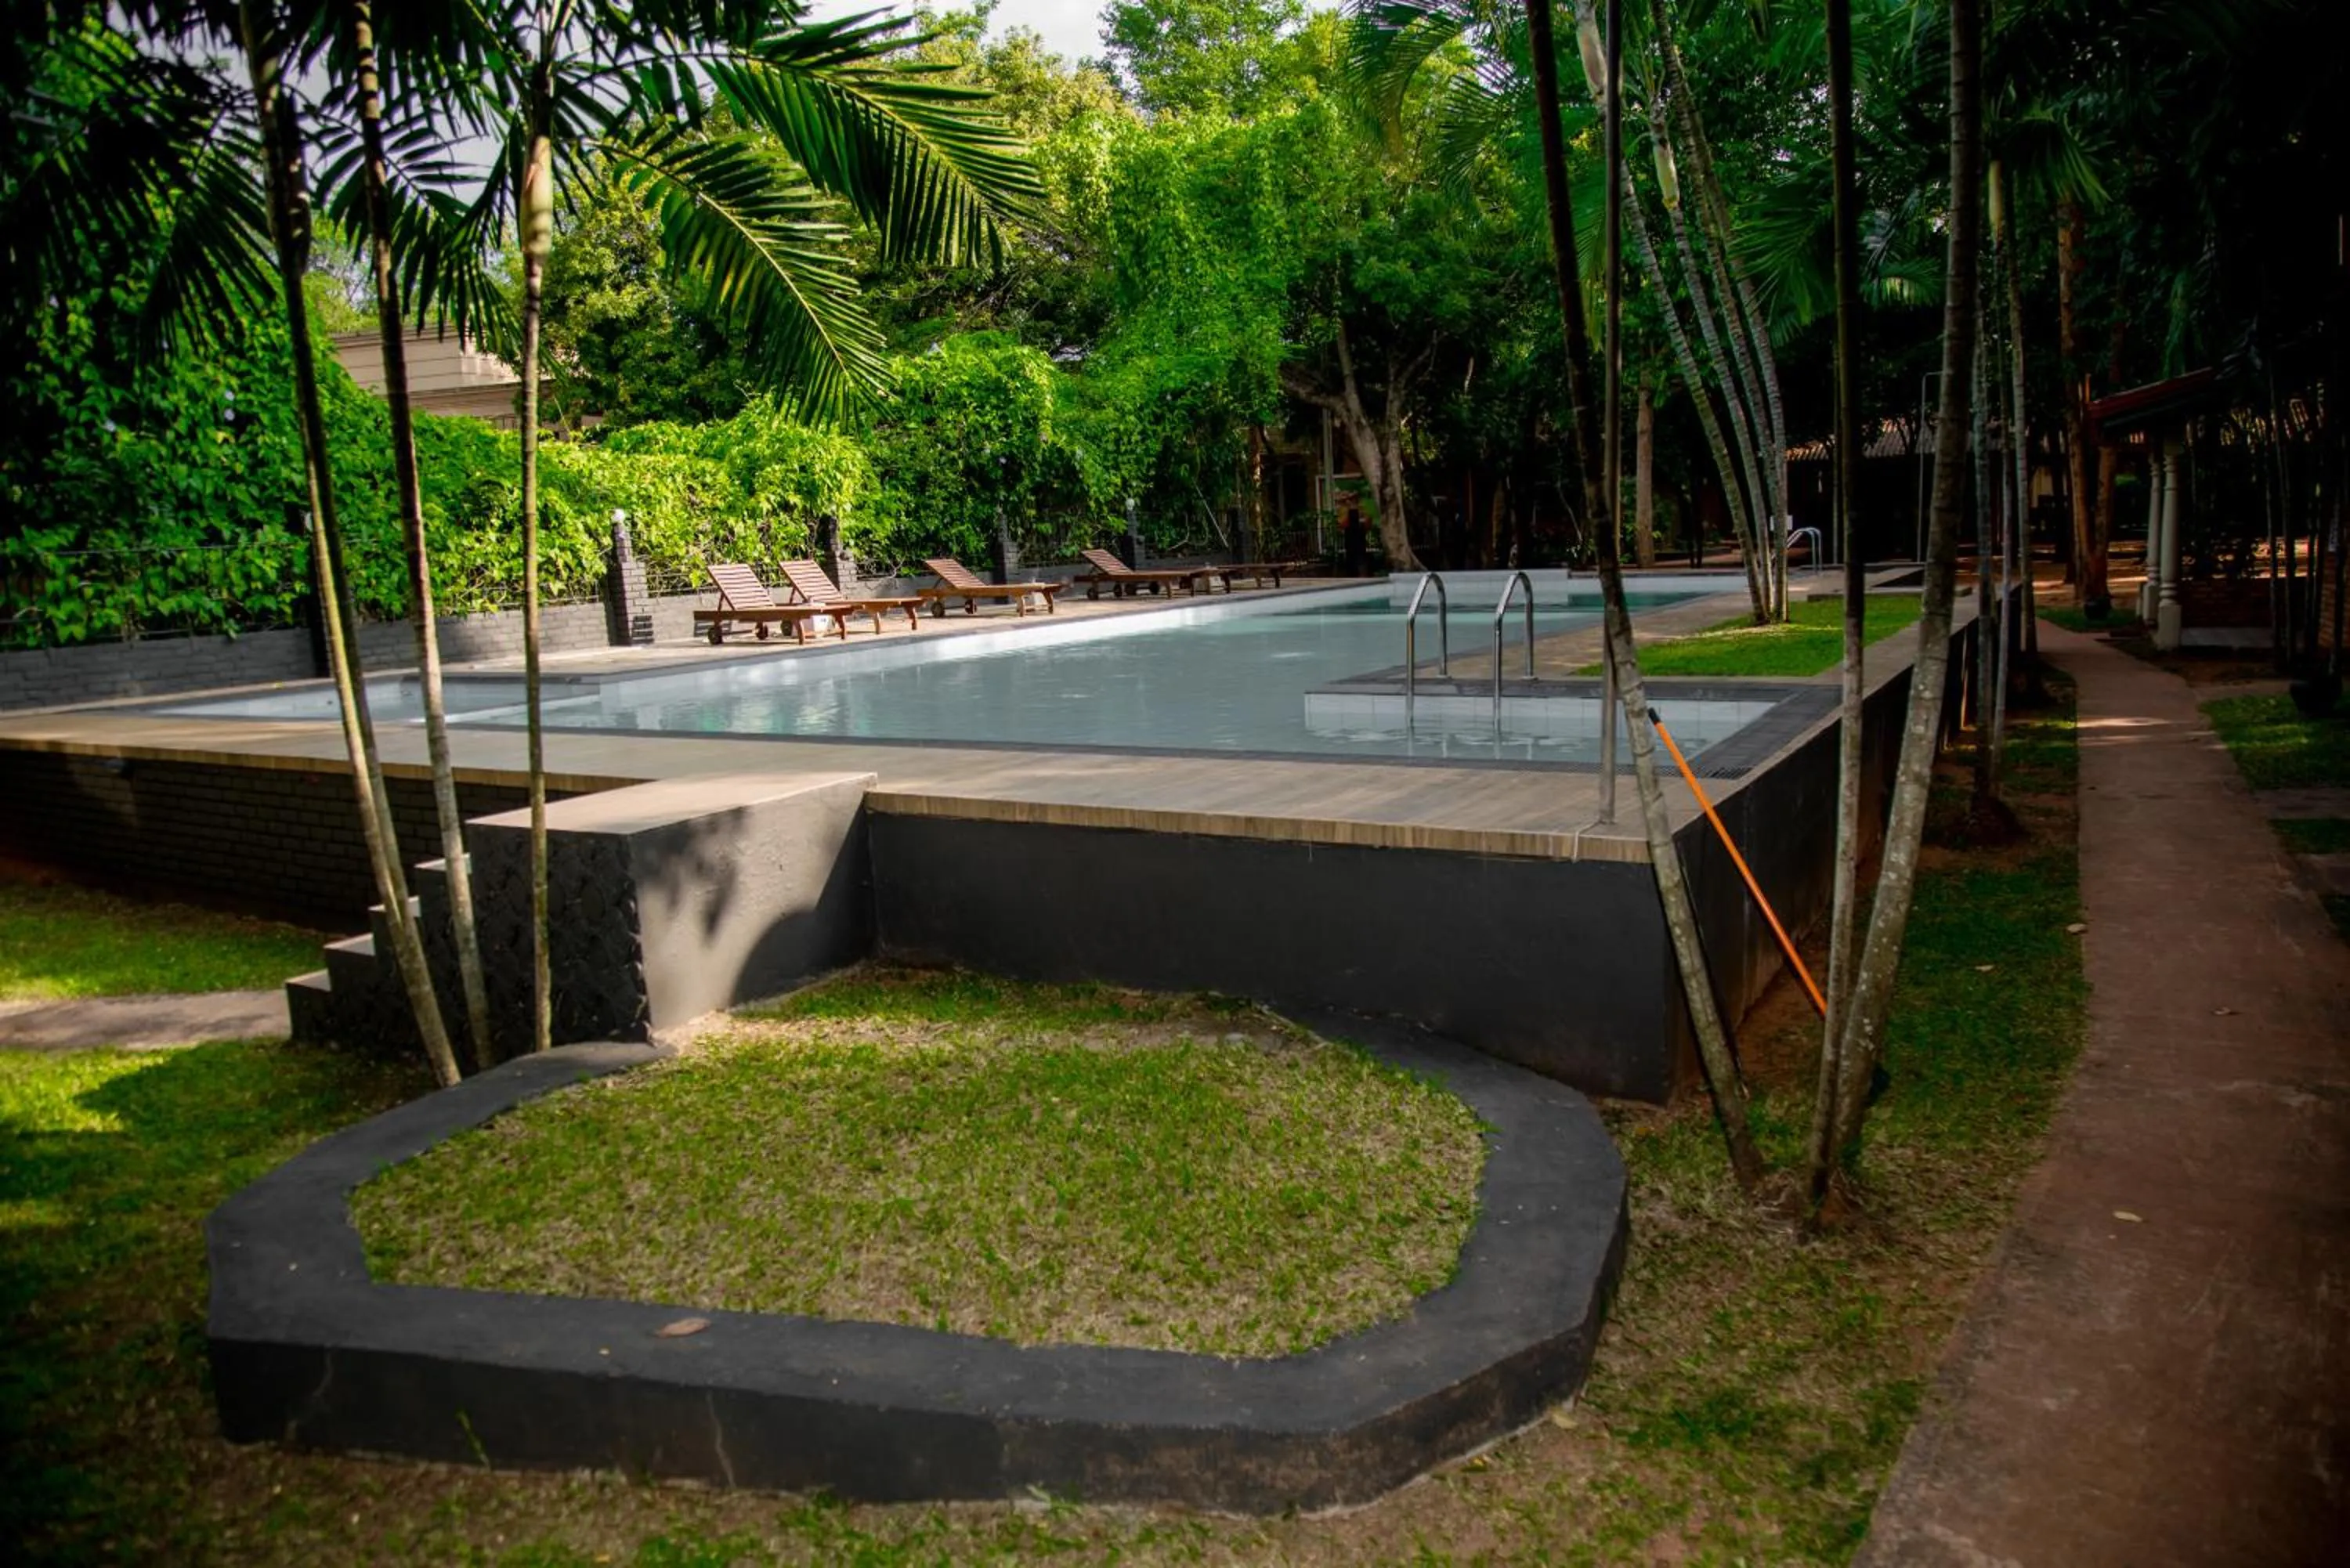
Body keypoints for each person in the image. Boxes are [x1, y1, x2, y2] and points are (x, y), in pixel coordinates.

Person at [1341, 504, 1368, 577]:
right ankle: (1360, 575)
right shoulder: (1360, 526)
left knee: (1355, 561)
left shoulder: (1349, 527)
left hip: (1353, 547)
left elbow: (1342, 525)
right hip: (1357, 547)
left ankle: (1355, 575)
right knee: (1359, 561)